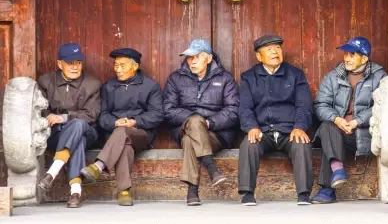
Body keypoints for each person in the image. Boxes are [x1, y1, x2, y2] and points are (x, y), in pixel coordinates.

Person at [80, 48, 164, 206]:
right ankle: (124, 192)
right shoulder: (108, 87)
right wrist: (115, 122)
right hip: (114, 135)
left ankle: (99, 165)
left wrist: (134, 121)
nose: (117, 69)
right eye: (116, 65)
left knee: (124, 132)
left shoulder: (150, 86)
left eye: (122, 65)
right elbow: (102, 115)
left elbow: (157, 114)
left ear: (135, 66)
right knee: (124, 144)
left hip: (141, 133)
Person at [238, 35, 314, 206]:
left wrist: (299, 126)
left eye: (278, 48)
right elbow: (244, 108)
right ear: (259, 56)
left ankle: (303, 193)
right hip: (262, 131)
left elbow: (304, 106)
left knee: (302, 143)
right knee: (249, 144)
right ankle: (247, 193)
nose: (274, 52)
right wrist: (251, 127)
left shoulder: (295, 75)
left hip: (289, 130)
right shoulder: (249, 78)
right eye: (269, 49)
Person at [163, 39, 239, 206]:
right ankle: (211, 168)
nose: (193, 61)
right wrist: (194, 120)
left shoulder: (225, 79)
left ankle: (192, 191)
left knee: (189, 140)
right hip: (185, 127)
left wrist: (209, 123)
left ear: (209, 58)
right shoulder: (176, 78)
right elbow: (168, 110)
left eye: (197, 57)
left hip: (217, 133)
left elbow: (233, 111)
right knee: (194, 123)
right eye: (190, 57)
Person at [312, 36, 387, 204]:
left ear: (365, 58)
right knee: (327, 128)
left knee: (329, 141)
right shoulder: (334, 76)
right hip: (338, 130)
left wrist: (357, 121)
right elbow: (320, 104)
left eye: (352, 54)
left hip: (363, 133)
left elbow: (381, 106)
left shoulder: (379, 76)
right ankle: (338, 170)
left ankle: (327, 190)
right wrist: (337, 119)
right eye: (346, 54)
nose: (347, 58)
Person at [37, 43, 101, 208]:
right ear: (60, 64)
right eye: (70, 63)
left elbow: (91, 114)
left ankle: (52, 171)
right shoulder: (45, 81)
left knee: (78, 125)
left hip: (87, 131)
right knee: (76, 141)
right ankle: (76, 192)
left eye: (78, 63)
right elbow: (38, 108)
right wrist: (48, 115)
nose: (75, 67)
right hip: (55, 134)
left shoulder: (92, 84)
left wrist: (64, 118)